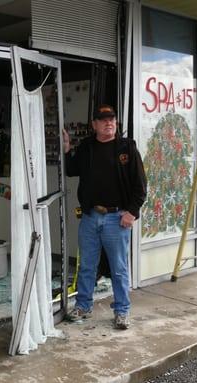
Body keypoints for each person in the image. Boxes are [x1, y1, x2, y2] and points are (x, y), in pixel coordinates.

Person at [64, 104, 147, 329]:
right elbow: (71, 170)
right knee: (87, 266)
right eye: (103, 120)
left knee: (118, 268)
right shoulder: (87, 147)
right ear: (94, 125)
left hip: (116, 218)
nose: (109, 122)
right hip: (90, 216)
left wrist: (131, 212)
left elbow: (141, 186)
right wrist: (66, 149)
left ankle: (122, 312)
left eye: (112, 119)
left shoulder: (127, 148)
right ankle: (83, 306)